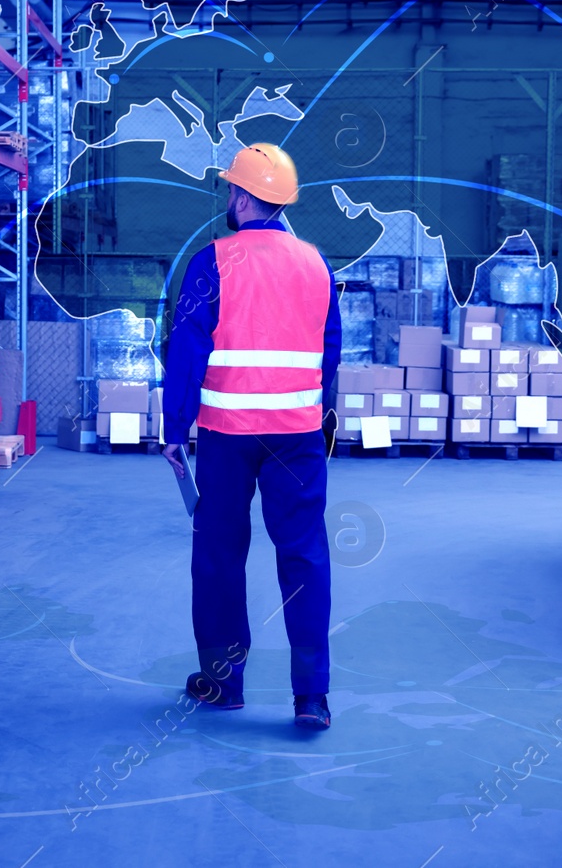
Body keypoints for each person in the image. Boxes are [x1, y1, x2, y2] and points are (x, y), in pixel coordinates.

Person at [162, 142, 341, 730]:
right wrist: (320, 418)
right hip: (297, 436)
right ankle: (311, 696)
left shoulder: (212, 261)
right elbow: (329, 353)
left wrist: (173, 428)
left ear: (241, 195)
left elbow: (187, 353)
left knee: (218, 556)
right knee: (305, 557)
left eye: (231, 190)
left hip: (225, 435)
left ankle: (223, 682)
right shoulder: (317, 264)